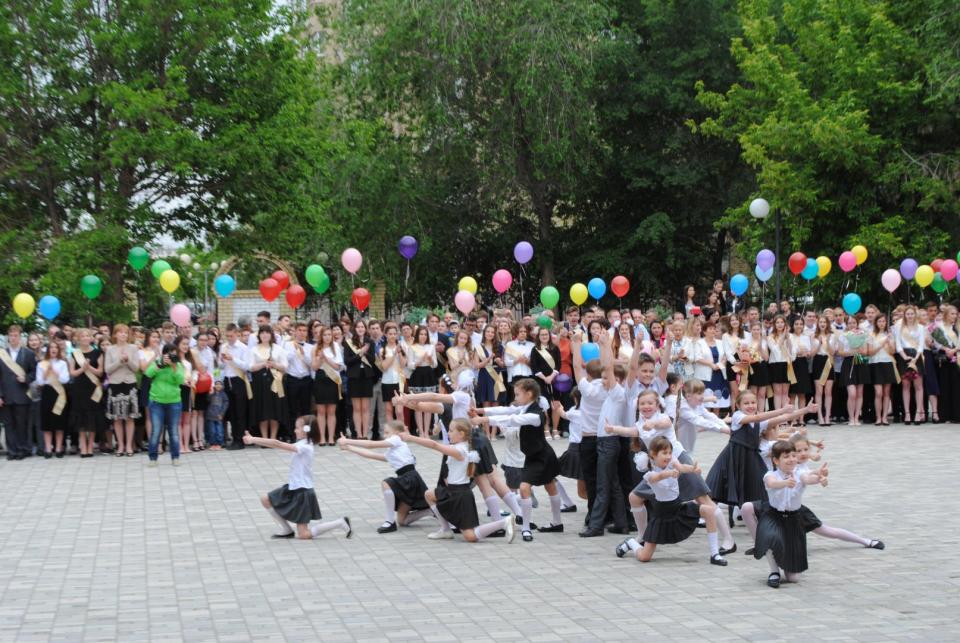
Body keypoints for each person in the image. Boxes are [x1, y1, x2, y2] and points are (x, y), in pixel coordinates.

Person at [614, 436, 729, 566]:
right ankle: (631, 543)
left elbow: (682, 467)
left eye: (669, 452)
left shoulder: (672, 462)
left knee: (709, 511)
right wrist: (669, 473)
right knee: (644, 557)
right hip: (661, 515)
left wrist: (692, 469)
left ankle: (715, 554)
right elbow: (658, 477)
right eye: (664, 453)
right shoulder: (649, 474)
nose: (668, 456)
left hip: (678, 509)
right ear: (653, 454)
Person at [474, 378, 564, 542]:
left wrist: (483, 419)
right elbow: (506, 410)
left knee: (532, 488)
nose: (515, 398)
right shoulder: (524, 407)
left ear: (529, 394)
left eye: (517, 394)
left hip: (543, 456)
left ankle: (538, 526)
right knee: (546, 487)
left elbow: (512, 419)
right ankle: (534, 526)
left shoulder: (535, 414)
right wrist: (479, 410)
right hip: (532, 456)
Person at [401, 419, 516, 544]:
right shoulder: (459, 447)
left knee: (470, 536)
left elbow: (434, 445)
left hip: (461, 496)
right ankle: (445, 530)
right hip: (452, 491)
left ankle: (504, 522)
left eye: (451, 431)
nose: (448, 433)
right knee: (429, 495)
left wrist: (410, 437)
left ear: (461, 434)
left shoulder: (460, 450)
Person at [246, 416, 352, 540]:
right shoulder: (302, 443)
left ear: (306, 430)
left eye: (297, 428)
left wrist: (253, 439)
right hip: (293, 487)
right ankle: (287, 530)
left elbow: (277, 443)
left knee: (304, 534)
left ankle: (340, 523)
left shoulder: (305, 447)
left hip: (303, 492)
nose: (295, 430)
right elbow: (277, 445)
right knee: (265, 499)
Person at [745, 440, 827, 588]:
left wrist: (820, 478)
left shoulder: (800, 473)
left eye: (793, 456)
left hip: (794, 520)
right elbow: (771, 483)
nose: (791, 459)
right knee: (769, 537)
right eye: (786, 456)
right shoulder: (770, 474)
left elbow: (808, 478)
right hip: (773, 516)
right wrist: (784, 483)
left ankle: (784, 562)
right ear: (776, 460)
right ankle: (774, 571)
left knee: (793, 578)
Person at [338, 420, 432, 533]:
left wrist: (347, 440)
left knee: (386, 483)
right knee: (402, 521)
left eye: (387, 432)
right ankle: (430, 511)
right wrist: (349, 447)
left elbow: (370, 445)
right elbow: (371, 455)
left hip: (409, 478)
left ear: (397, 433)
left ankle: (389, 521)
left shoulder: (397, 439)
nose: (384, 435)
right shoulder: (393, 450)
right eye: (384, 432)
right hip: (409, 480)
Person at [0, 325, 38, 460]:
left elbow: (34, 372)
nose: (13, 338)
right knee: (8, 425)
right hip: (5, 395)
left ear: (20, 337)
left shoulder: (28, 353)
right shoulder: (2, 354)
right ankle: (12, 451)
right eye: (11, 336)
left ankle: (22, 449)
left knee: (21, 424)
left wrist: (26, 378)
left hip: (22, 394)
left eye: (16, 335)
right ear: (8, 337)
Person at [145, 343, 186, 466]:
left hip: (174, 402)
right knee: (156, 431)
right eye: (169, 354)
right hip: (157, 401)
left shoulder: (178, 365)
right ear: (164, 354)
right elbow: (148, 374)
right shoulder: (157, 362)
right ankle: (153, 458)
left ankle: (175, 457)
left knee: (173, 431)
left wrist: (173, 367)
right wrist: (159, 365)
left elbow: (180, 380)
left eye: (174, 353)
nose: (171, 356)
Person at [105, 323, 141, 457]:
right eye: (120, 332)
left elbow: (136, 368)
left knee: (130, 417)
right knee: (117, 418)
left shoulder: (133, 348)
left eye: (126, 332)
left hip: (129, 383)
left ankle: (129, 446)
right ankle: (120, 445)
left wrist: (128, 360)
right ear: (115, 334)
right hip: (115, 384)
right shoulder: (110, 349)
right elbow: (107, 370)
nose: (123, 335)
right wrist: (119, 361)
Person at [68, 328, 103, 458]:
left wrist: (89, 368)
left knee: (92, 416)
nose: (85, 338)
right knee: (81, 418)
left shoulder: (97, 353)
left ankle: (90, 446)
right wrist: (83, 369)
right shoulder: (74, 354)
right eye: (82, 336)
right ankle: (83, 446)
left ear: (91, 338)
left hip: (93, 387)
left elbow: (100, 372)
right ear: (78, 339)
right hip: (80, 388)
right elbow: (72, 373)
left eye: (87, 335)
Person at [250, 325, 288, 442]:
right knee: (263, 410)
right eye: (262, 332)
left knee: (275, 410)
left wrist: (274, 364)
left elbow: (285, 367)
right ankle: (265, 439)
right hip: (260, 382)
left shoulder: (278, 349)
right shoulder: (254, 349)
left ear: (271, 335)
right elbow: (250, 367)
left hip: (275, 382)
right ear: (259, 335)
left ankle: (273, 438)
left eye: (267, 332)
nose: (265, 335)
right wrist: (263, 364)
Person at [36, 341, 70, 458]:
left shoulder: (62, 363)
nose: (53, 349)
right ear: (48, 350)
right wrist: (46, 372)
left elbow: (65, 379)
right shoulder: (41, 364)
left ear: (58, 350)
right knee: (47, 422)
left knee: (59, 421)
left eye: (56, 347)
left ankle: (59, 448)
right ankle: (48, 448)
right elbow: (40, 382)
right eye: (51, 347)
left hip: (59, 393)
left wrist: (55, 372)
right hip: (47, 393)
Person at [529, 326, 562, 439]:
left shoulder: (555, 348)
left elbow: (558, 364)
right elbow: (534, 366)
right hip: (540, 380)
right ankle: (546, 429)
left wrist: (551, 376)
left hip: (555, 379)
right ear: (538, 336)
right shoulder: (535, 349)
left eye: (546, 334)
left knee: (556, 404)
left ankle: (555, 429)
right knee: (543, 405)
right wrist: (545, 378)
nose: (544, 336)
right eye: (542, 335)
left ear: (549, 336)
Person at [896, 305, 925, 425]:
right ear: (904, 315)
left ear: (915, 314)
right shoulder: (899, 327)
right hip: (904, 357)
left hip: (917, 357)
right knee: (906, 386)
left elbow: (921, 345)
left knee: (918, 386)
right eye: (907, 314)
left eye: (912, 313)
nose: (910, 316)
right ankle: (907, 413)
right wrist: (905, 357)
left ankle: (918, 413)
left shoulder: (921, 328)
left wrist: (915, 358)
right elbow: (898, 345)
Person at [868, 314, 896, 426]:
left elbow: (893, 351)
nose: (881, 323)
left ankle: (884, 417)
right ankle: (878, 417)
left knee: (886, 392)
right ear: (876, 323)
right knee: (878, 392)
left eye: (883, 321)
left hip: (887, 363)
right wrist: (882, 344)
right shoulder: (871, 335)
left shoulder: (889, 335)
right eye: (879, 321)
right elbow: (870, 352)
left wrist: (889, 342)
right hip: (875, 364)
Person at [376, 322, 406, 422]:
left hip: (399, 382)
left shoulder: (402, 348)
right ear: (385, 335)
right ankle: (391, 430)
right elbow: (384, 367)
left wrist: (399, 353)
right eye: (390, 334)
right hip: (387, 382)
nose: (392, 336)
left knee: (399, 411)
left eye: (394, 334)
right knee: (388, 410)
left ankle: (400, 430)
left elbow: (403, 365)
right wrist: (394, 353)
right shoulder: (382, 350)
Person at [811, 316, 835, 426]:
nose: (822, 324)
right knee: (819, 391)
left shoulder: (832, 336)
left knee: (828, 391)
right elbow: (812, 354)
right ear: (817, 323)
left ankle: (827, 416)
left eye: (824, 322)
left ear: (827, 323)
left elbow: (833, 352)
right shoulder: (813, 336)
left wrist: (828, 342)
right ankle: (820, 416)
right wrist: (820, 343)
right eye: (820, 322)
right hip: (818, 361)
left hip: (828, 361)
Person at [205, 379, 229, 451]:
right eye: (216, 384)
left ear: (222, 386)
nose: (218, 386)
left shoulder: (223, 395)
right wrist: (210, 394)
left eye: (220, 384)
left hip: (219, 416)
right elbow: (207, 400)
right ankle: (213, 443)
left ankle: (219, 443)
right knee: (212, 431)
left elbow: (225, 405)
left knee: (219, 431)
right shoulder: (212, 393)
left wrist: (222, 413)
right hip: (211, 415)